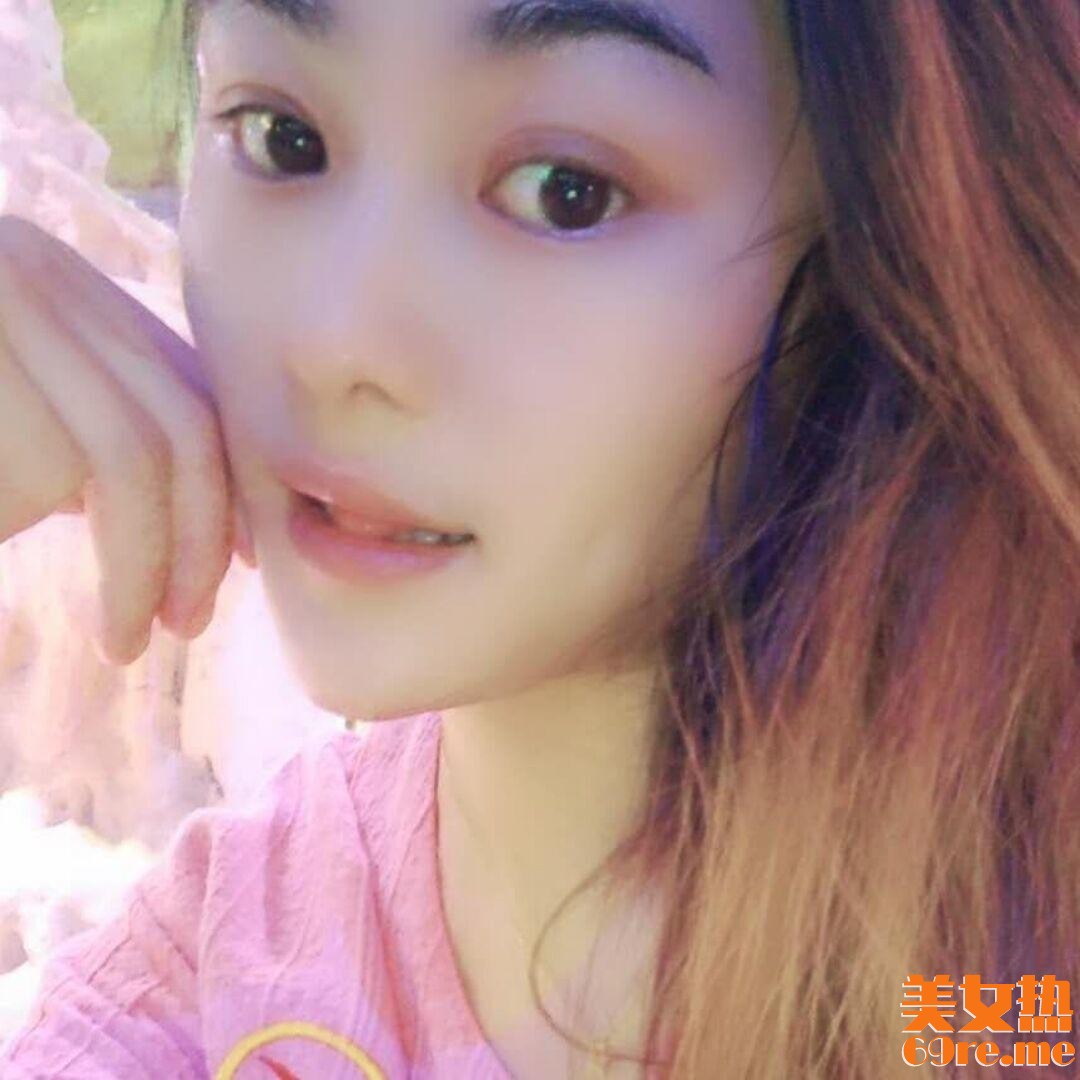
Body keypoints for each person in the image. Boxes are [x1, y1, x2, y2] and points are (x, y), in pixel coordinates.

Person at [1, 0, 1077, 1076]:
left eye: (567, 193)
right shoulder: (205, 997)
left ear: (888, 247)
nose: (336, 343)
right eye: (284, 139)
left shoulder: (1009, 983)